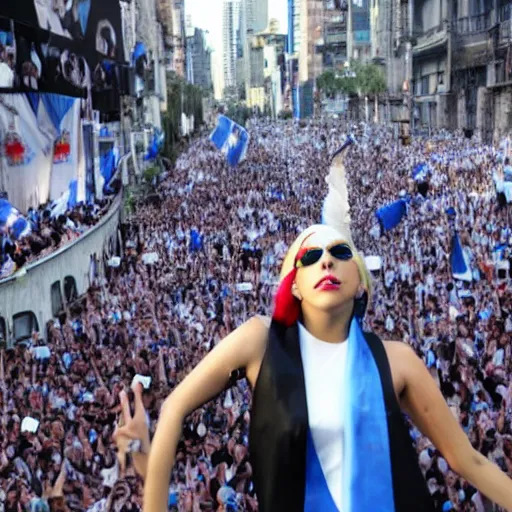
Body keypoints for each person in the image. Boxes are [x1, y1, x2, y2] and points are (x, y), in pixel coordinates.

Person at [133, 145, 512, 511]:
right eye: (311, 256)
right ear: (294, 283)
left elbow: (468, 462)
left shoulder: (398, 362)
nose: (326, 261)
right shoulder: (259, 343)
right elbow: (173, 409)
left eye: (340, 252)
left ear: (360, 280)